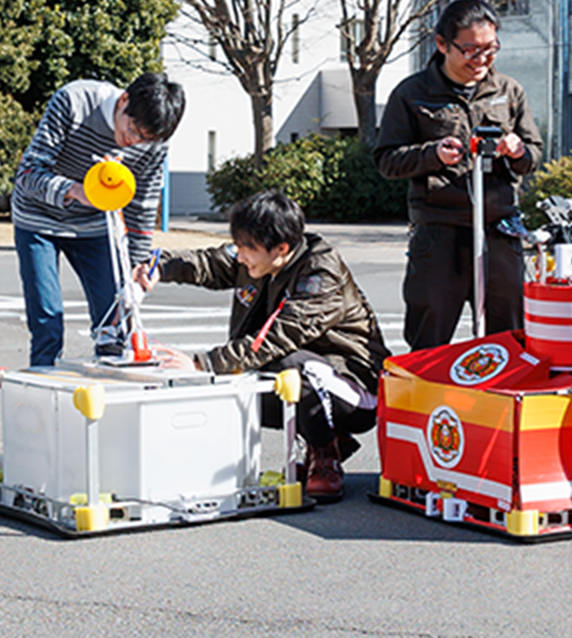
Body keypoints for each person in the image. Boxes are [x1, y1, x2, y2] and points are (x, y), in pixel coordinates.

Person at [145, 190, 390, 501]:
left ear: (282, 248)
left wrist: (199, 364)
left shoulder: (320, 272)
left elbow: (278, 338)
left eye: (246, 248)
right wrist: (159, 267)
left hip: (357, 386)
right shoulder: (255, 258)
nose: (240, 255)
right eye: (237, 245)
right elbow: (207, 262)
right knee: (239, 388)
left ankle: (325, 458)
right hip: (309, 373)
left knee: (292, 366)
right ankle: (328, 438)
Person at [372, 0, 545, 350]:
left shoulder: (508, 91)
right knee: (429, 335)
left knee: (509, 337)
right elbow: (386, 159)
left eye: (491, 49)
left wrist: (517, 151)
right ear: (442, 44)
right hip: (439, 230)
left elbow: (534, 154)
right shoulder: (412, 94)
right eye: (470, 50)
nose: (481, 60)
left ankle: (500, 402)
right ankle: (428, 403)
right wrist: (432, 154)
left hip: (499, 229)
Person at [11, 73, 187, 366]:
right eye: (132, 130)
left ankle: (106, 400)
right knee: (47, 320)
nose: (133, 143)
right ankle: (42, 396)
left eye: (145, 139)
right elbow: (28, 174)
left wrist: (137, 264)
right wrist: (77, 191)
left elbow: (142, 203)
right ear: (123, 100)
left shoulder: (154, 141)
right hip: (38, 218)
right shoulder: (75, 102)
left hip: (95, 225)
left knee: (115, 323)